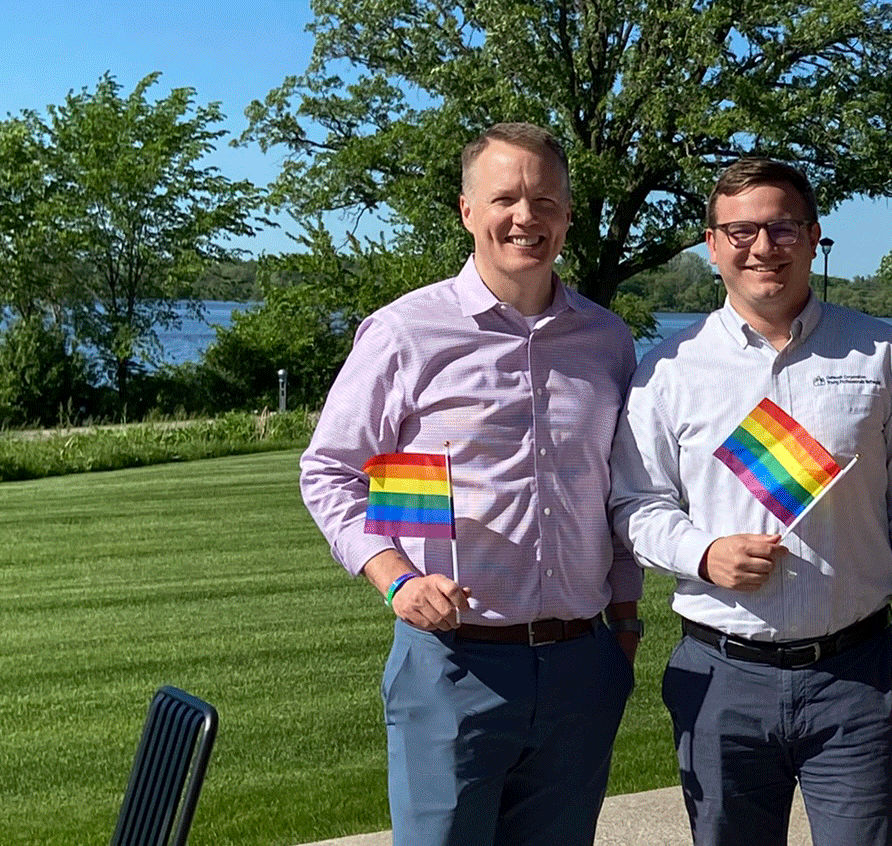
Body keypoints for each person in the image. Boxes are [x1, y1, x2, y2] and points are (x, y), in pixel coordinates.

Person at [298, 122, 642, 846]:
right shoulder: (404, 333)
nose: (526, 217)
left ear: (569, 214)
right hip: (453, 662)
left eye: (545, 201)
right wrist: (394, 578)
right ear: (466, 211)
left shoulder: (608, 342)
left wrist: (626, 626)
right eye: (506, 198)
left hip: (583, 662)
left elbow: (619, 492)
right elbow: (329, 471)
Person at [607, 157, 892, 846]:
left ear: (815, 235)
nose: (762, 247)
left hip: (855, 677)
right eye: (740, 231)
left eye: (782, 228)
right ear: (712, 245)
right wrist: (702, 552)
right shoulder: (670, 371)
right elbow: (634, 506)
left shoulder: (880, 353)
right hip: (721, 674)